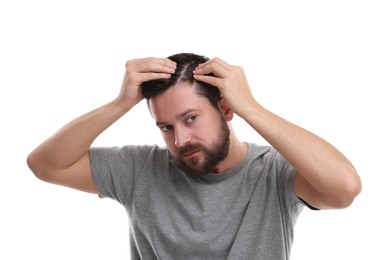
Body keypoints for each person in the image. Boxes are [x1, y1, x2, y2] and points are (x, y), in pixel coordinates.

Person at [27, 53, 362, 260]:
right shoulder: (140, 169)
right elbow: (44, 165)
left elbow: (344, 188)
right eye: (165, 127)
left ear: (226, 109)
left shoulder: (273, 172)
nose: (180, 139)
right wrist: (119, 105)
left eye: (190, 119)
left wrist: (252, 108)